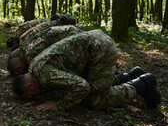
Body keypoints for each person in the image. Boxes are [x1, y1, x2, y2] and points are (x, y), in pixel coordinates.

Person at [12, 29, 161, 111]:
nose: (35, 96)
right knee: (94, 87)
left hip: (100, 48)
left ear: (29, 86)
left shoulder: (44, 75)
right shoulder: (33, 68)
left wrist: (59, 104)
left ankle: (143, 84)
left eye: (31, 95)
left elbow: (82, 86)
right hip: (93, 45)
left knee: (95, 98)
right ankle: (131, 76)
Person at [7, 25, 82, 75]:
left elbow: (46, 68)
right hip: (66, 30)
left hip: (70, 35)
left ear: (19, 67)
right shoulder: (24, 47)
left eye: (21, 72)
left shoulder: (30, 57)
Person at [7, 13, 77, 50]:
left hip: (47, 24)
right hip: (45, 22)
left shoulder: (22, 38)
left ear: (14, 43)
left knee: (69, 23)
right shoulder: (18, 32)